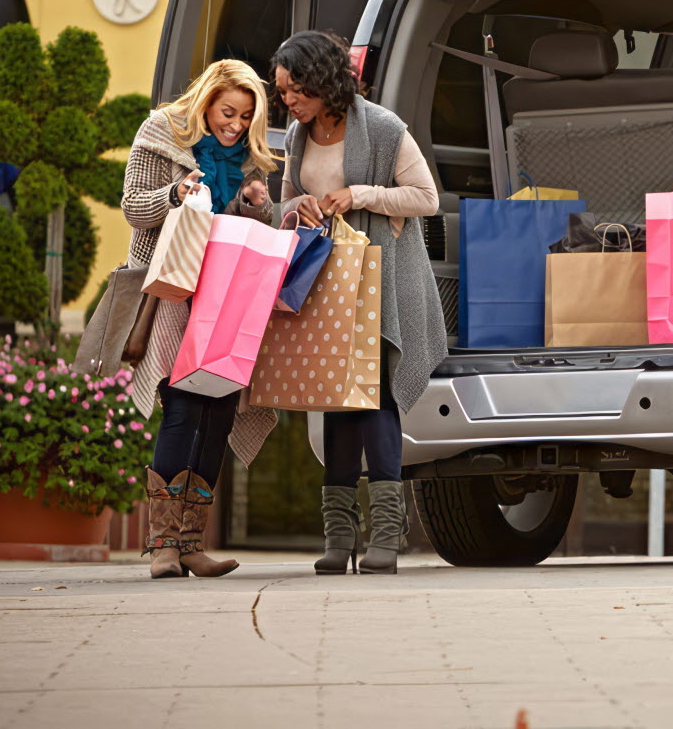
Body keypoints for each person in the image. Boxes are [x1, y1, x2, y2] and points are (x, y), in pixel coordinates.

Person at [270, 29, 447, 575]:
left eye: (294, 90)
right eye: (281, 93)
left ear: (322, 81)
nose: (288, 101)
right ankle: (338, 537)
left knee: (374, 400)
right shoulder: (298, 136)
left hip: (380, 280)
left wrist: (360, 195)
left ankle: (386, 537)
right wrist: (297, 205)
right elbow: (285, 201)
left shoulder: (386, 128)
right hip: (326, 279)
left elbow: (426, 198)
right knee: (335, 401)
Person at [122, 60, 279, 579]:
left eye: (245, 117)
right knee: (183, 407)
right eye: (227, 112)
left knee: (220, 411)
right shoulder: (161, 131)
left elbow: (246, 227)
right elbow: (132, 208)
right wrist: (175, 194)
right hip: (173, 294)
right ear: (206, 100)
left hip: (226, 297)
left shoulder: (249, 158)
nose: (234, 125)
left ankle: (191, 543)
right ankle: (163, 545)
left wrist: (255, 204)